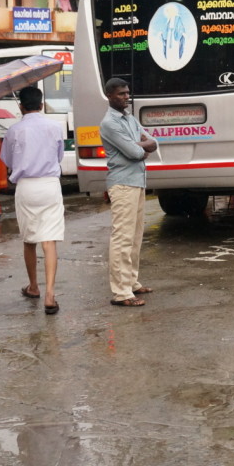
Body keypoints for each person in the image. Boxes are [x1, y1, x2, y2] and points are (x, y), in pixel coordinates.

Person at [0, 86, 65, 315]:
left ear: (20, 106)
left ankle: (34, 287)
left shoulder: (13, 131)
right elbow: (59, 156)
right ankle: (50, 294)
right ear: (42, 104)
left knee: (29, 240)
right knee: (49, 241)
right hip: (49, 185)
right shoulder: (55, 127)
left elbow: (7, 160)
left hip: (26, 187)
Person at [99, 77, 157, 308]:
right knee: (122, 238)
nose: (126, 97)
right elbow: (134, 152)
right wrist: (140, 146)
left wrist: (141, 145)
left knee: (135, 236)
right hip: (122, 184)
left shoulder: (129, 118)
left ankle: (131, 282)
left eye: (127, 93)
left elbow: (154, 142)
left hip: (137, 181)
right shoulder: (109, 123)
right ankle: (121, 293)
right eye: (121, 94)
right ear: (110, 96)